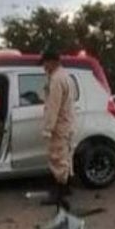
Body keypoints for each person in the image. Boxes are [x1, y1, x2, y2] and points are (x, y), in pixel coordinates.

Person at [41, 47, 76, 206]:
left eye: (45, 63)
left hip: (59, 126)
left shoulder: (56, 79)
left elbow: (53, 106)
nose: (44, 67)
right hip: (68, 123)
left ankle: (59, 194)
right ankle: (66, 187)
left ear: (53, 62)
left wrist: (48, 128)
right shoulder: (66, 76)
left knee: (57, 159)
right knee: (65, 157)